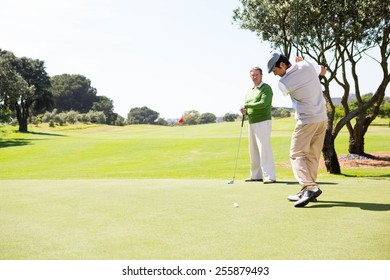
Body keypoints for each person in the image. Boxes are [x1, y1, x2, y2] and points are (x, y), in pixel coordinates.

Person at [267, 51, 327, 207]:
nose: (275, 75)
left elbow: (287, 90)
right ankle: (307, 189)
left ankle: (310, 186)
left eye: (275, 71)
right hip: (322, 119)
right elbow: (323, 71)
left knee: (296, 154)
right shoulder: (306, 64)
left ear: (282, 65)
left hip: (306, 120)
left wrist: (298, 67)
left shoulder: (283, 83)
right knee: (312, 155)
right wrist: (303, 64)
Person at [240, 67, 276, 184]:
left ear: (261, 76)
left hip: (263, 121)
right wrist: (245, 111)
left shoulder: (266, 88)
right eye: (252, 75)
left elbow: (263, 103)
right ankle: (256, 175)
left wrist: (247, 105)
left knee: (264, 149)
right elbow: (249, 106)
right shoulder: (250, 91)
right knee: (253, 150)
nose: (254, 77)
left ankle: (270, 176)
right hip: (252, 121)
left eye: (256, 75)